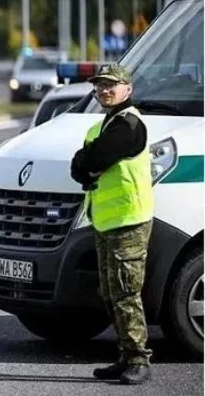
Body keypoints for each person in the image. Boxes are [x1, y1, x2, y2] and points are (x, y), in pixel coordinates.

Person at [70, 64, 154, 385]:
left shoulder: (129, 124)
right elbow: (80, 165)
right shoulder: (104, 124)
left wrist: (87, 161)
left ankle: (137, 359)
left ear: (127, 90)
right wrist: (86, 162)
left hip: (128, 221)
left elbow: (93, 159)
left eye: (112, 85)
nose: (105, 90)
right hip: (107, 221)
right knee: (109, 292)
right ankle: (124, 356)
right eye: (100, 86)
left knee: (125, 292)